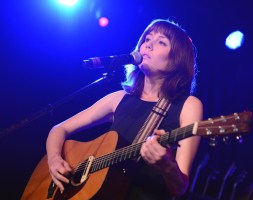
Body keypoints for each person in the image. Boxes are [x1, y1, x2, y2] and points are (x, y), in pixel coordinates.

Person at [46, 19, 203, 199]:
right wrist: (54, 160)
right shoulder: (119, 98)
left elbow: (180, 188)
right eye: (147, 39)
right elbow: (59, 129)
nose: (148, 45)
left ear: (177, 59)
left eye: (161, 42)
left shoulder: (189, 105)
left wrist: (167, 166)